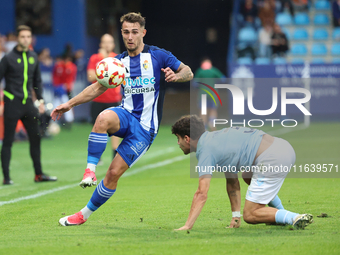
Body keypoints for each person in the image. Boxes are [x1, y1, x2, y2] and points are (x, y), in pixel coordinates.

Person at [51, 12, 193, 226]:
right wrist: (69, 104)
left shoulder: (158, 55)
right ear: (122, 33)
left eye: (135, 32)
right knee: (103, 117)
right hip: (125, 115)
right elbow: (98, 87)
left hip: (145, 129)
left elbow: (188, 71)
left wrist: (177, 76)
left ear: (143, 33)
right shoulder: (117, 62)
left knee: (113, 174)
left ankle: (83, 215)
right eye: (126, 32)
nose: (130, 36)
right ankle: (90, 170)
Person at [171, 115, 313, 230]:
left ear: (187, 139)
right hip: (283, 147)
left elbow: (201, 194)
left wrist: (187, 225)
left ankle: (293, 217)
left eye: (178, 138)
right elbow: (232, 181)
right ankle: (280, 214)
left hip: (271, 159)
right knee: (247, 175)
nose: (178, 143)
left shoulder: (205, 151)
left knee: (250, 215)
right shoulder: (216, 139)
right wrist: (235, 216)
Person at [0, 25, 57, 184]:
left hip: (28, 105)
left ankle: (39, 174)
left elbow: (37, 81)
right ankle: (6, 177)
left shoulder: (33, 56)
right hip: (12, 103)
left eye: (28, 36)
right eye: (23, 36)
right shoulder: (8, 58)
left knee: (36, 138)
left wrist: (40, 100)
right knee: (8, 141)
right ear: (17, 38)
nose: (26, 39)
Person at [87, 34, 122, 160]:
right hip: (97, 98)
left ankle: (114, 152)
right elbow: (90, 76)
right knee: (96, 127)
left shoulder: (117, 58)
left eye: (110, 42)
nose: (107, 44)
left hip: (113, 98)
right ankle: (97, 154)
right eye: (104, 42)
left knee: (115, 128)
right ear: (100, 44)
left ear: (113, 44)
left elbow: (119, 76)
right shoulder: (95, 58)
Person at [194, 58, 225, 130]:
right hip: (213, 94)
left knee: (203, 111)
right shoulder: (214, 70)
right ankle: (212, 123)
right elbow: (223, 79)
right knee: (213, 110)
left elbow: (195, 83)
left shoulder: (200, 71)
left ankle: (204, 126)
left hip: (203, 95)